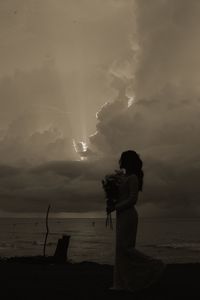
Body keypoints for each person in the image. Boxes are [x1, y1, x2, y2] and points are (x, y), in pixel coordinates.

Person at [107, 150, 165, 292]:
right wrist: (111, 202)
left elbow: (133, 199)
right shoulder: (122, 177)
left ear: (128, 161)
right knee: (120, 250)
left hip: (129, 216)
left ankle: (155, 263)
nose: (120, 162)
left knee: (126, 248)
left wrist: (115, 207)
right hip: (121, 215)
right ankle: (120, 283)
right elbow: (119, 196)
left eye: (123, 159)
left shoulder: (133, 178)